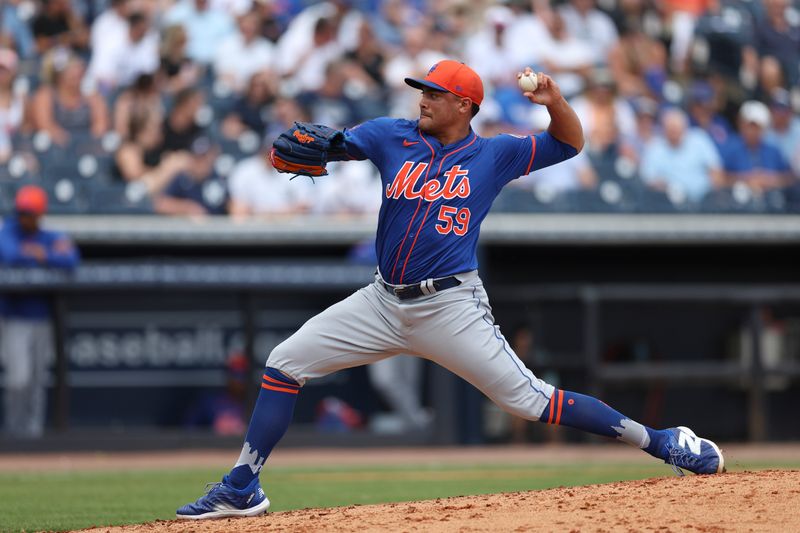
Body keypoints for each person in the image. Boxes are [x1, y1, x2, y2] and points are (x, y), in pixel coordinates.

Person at [177, 60, 725, 520]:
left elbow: (571, 143)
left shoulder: (494, 155)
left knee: (532, 401)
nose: (423, 100)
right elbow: (331, 145)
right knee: (284, 362)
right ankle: (242, 486)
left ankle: (661, 440)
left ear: (464, 105)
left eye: (435, 93)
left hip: (450, 305)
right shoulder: (392, 135)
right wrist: (322, 146)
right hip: (381, 300)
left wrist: (555, 100)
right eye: (422, 90)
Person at [0, 186, 80, 438]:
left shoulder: (48, 236)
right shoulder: (8, 232)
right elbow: (10, 254)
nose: (25, 217)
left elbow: (71, 260)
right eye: (22, 212)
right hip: (14, 319)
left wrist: (42, 254)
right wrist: (46, 256)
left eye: (30, 213)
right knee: (18, 379)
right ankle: (15, 433)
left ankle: (32, 436)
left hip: (42, 319)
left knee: (37, 382)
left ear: (40, 214)